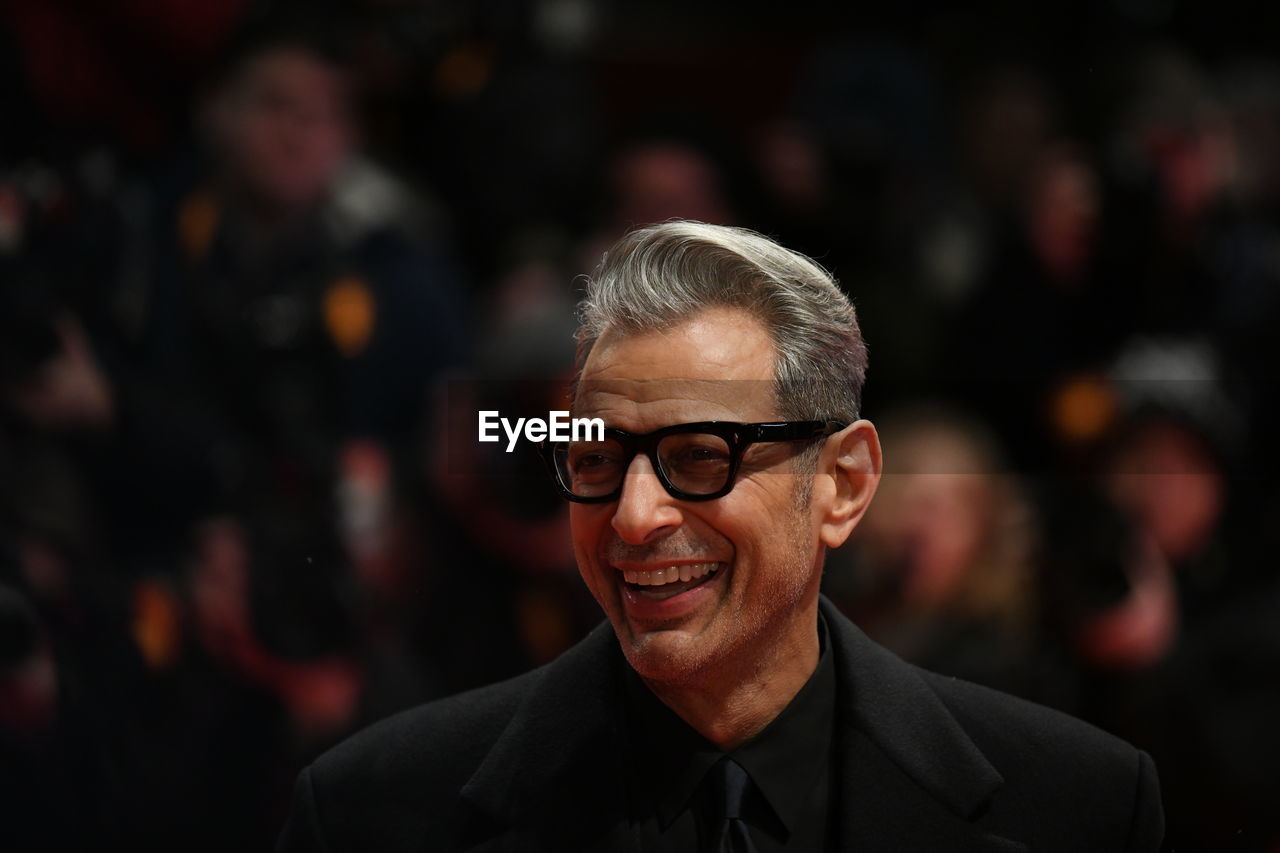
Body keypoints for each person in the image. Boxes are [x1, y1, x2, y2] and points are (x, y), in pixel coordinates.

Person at [277, 221, 1163, 852]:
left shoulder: (1080, 806)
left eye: (700, 456)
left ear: (843, 484)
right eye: (594, 456)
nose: (633, 515)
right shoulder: (373, 813)